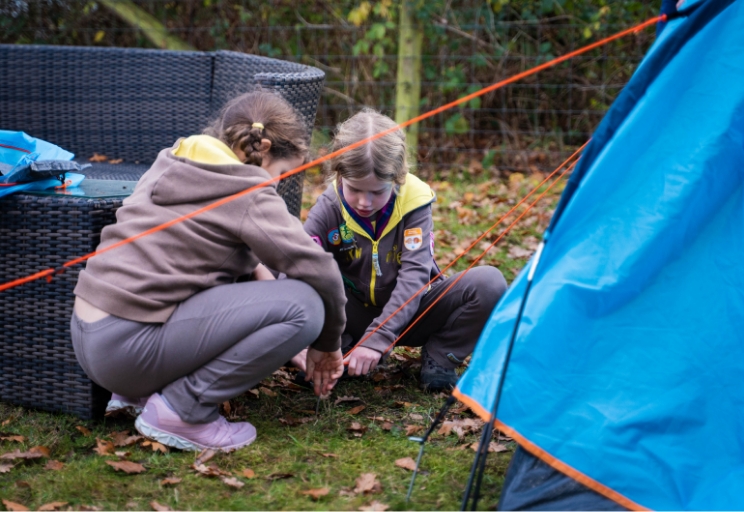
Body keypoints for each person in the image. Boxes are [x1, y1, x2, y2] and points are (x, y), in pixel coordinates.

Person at [70, 90, 346, 452]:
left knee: (271, 296)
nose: (278, 184)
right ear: (262, 147)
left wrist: (273, 329)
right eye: (282, 173)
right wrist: (328, 345)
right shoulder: (249, 190)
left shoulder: (177, 157)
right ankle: (182, 410)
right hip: (129, 350)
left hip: (89, 337)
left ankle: (138, 394)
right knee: (306, 305)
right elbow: (319, 269)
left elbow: (198, 257)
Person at [303, 109, 507, 391]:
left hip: (413, 312)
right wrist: (320, 342)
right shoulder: (330, 205)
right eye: (355, 189)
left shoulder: (414, 202)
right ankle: (345, 351)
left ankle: (440, 356)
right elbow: (298, 261)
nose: (364, 202)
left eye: (377, 191)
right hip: (350, 316)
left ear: (397, 178)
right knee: (303, 286)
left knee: (489, 284)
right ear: (338, 175)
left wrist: (379, 337)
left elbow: (414, 278)